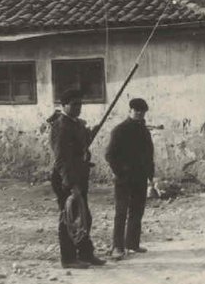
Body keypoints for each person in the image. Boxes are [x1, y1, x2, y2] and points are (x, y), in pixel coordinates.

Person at [48, 88, 106, 268]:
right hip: (66, 178)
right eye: (74, 104)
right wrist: (71, 184)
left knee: (84, 217)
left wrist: (91, 133)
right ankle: (69, 259)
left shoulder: (75, 123)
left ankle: (86, 254)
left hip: (79, 175)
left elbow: (80, 146)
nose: (78, 108)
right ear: (63, 106)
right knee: (69, 218)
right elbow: (61, 159)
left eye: (80, 104)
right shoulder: (60, 126)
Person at [106, 98, 156, 260]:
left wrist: (150, 175)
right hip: (124, 178)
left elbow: (149, 154)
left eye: (142, 111)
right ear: (130, 111)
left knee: (137, 210)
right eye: (136, 111)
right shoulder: (120, 130)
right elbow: (109, 155)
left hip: (140, 177)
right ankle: (117, 247)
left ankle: (132, 243)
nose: (139, 114)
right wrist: (120, 171)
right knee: (121, 212)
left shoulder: (144, 131)